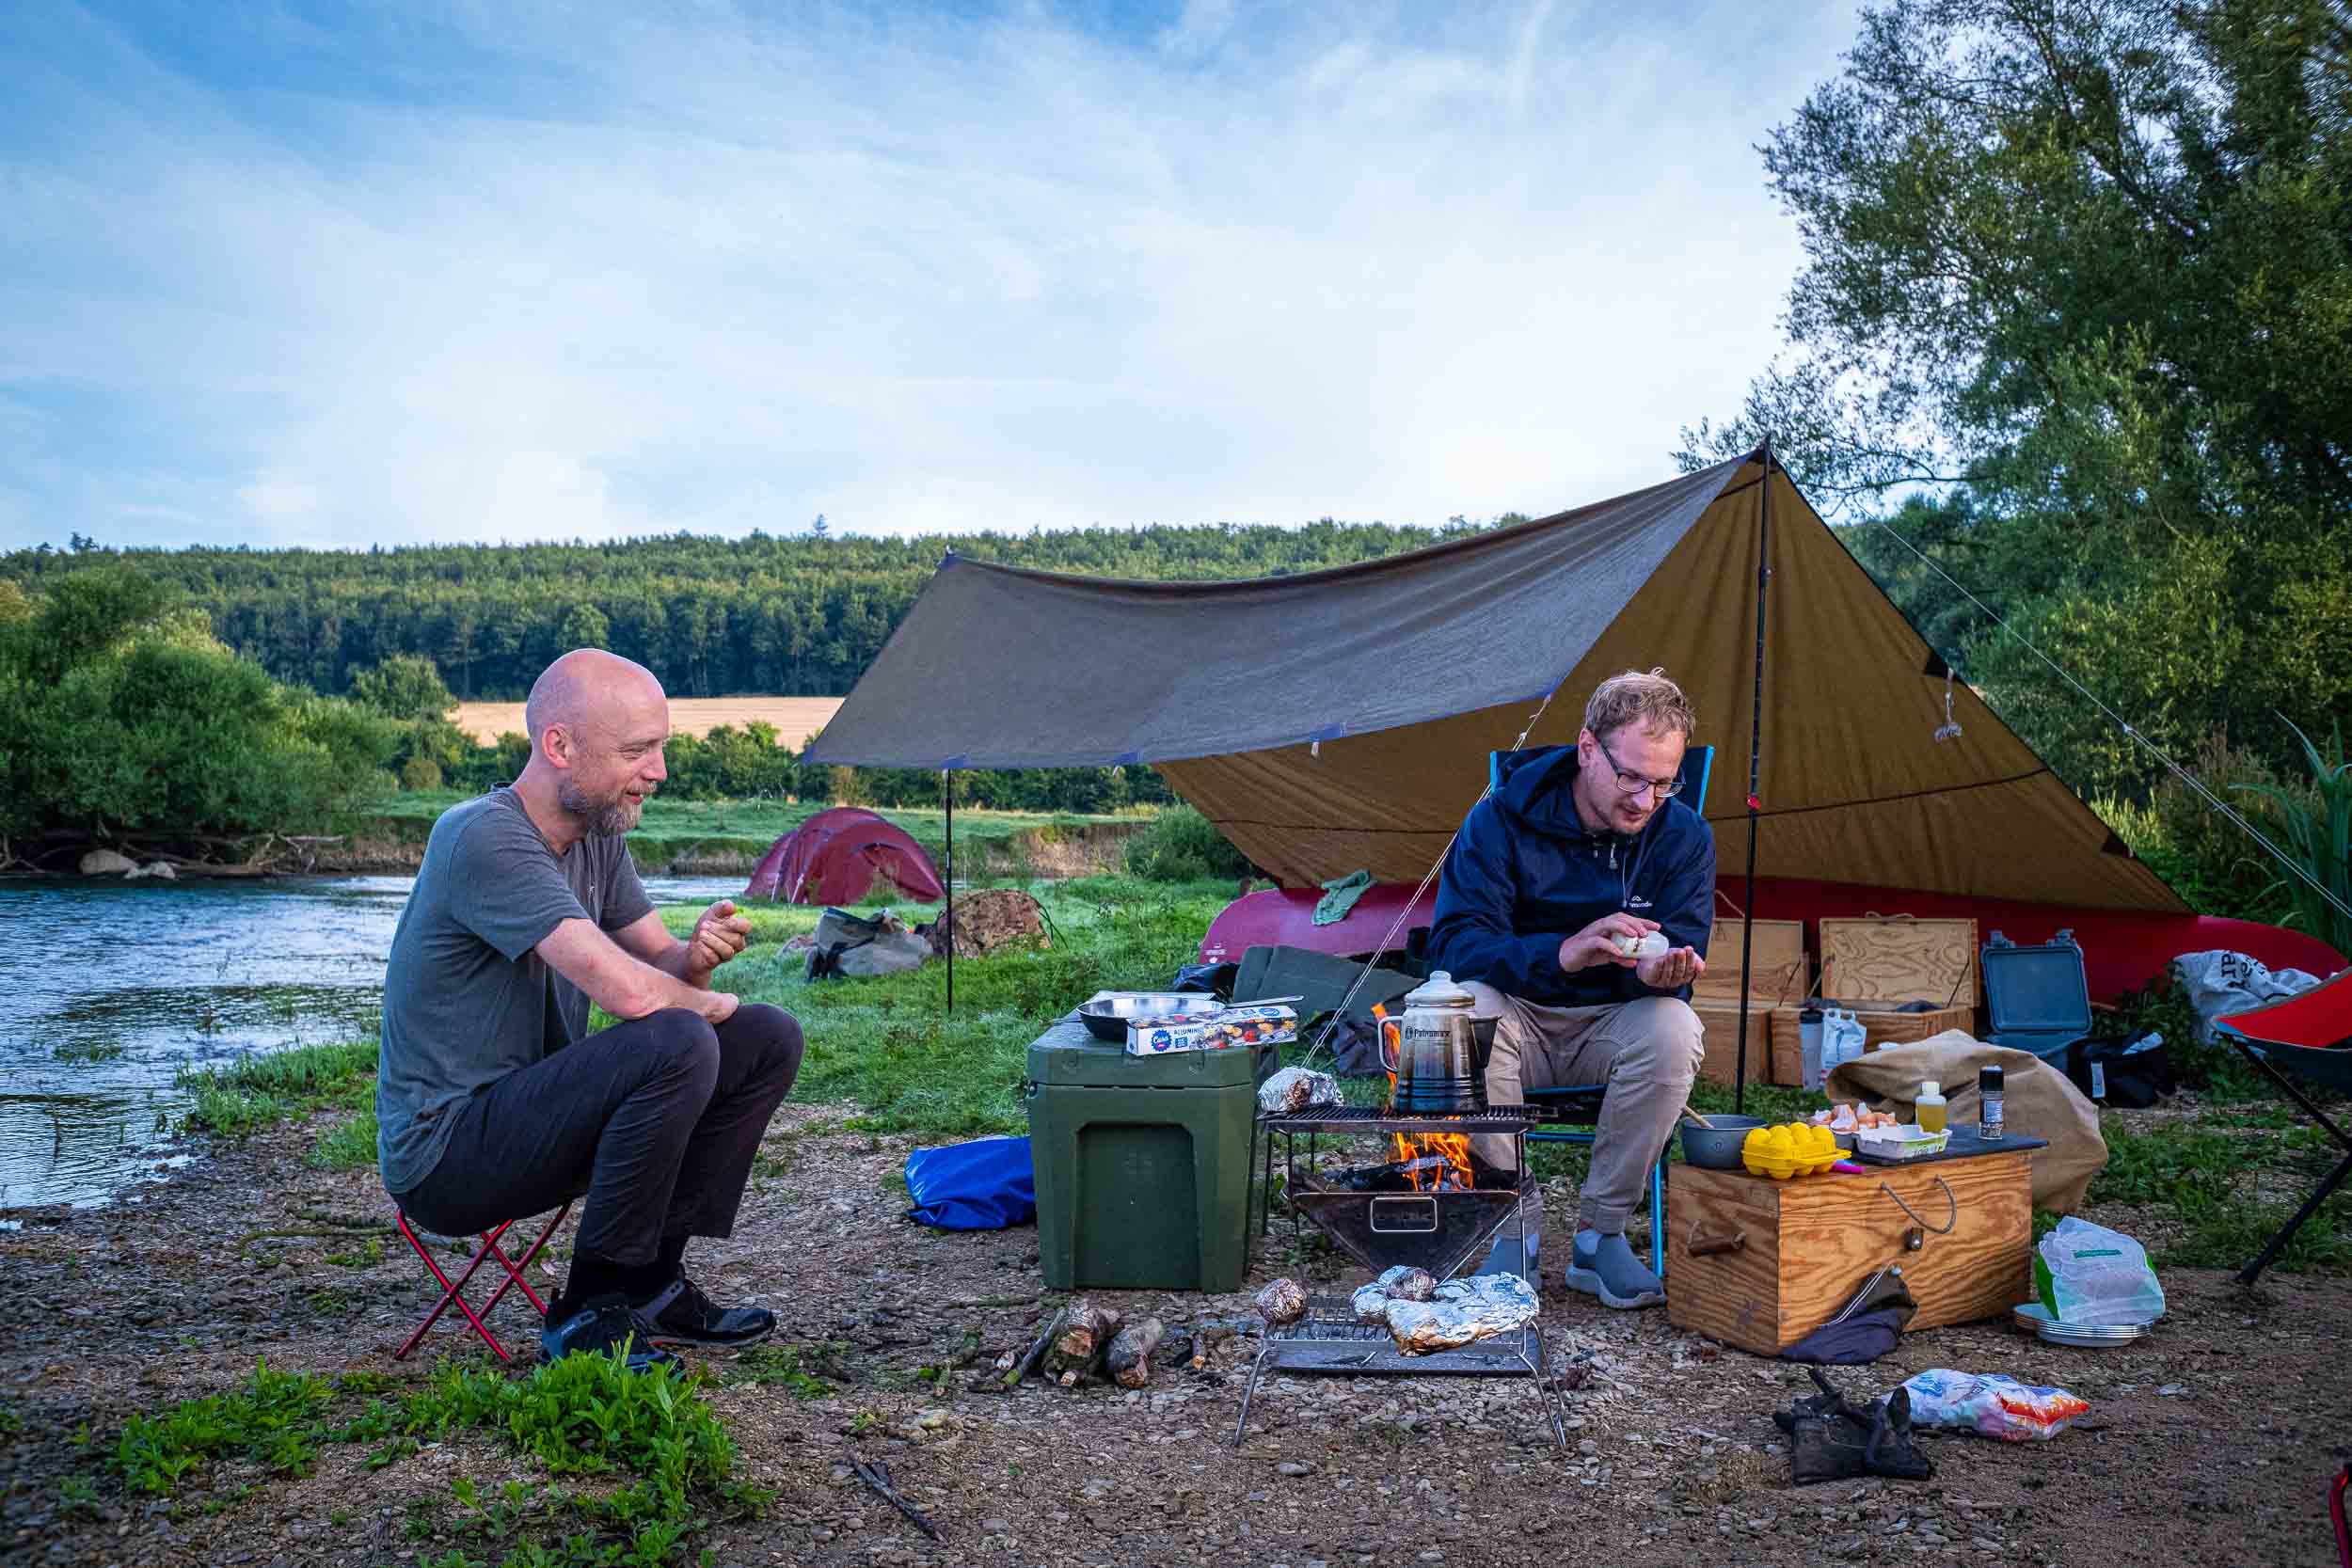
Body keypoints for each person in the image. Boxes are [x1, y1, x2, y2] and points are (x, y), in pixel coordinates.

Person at [377, 648, 805, 1370]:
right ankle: (587, 1312)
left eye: (661, 748)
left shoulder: (595, 837)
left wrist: (695, 953)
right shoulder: (482, 836)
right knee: (681, 1038)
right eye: (638, 750)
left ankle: (650, 1284)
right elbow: (632, 994)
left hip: (536, 1120)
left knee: (765, 1037)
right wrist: (703, 1000)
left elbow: (660, 964)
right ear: (559, 746)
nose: (660, 770)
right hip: (446, 1153)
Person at [1426, 668, 1713, 1308]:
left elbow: (1685, 944)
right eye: (1631, 776)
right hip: (1516, 1017)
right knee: (1459, 1010)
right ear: (1587, 748)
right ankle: (1512, 1225)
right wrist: (1564, 951)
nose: (1644, 800)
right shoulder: (1500, 818)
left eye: (1663, 783)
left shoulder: (1684, 836)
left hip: (1612, 1023)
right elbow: (1453, 947)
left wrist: (1655, 973)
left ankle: (1600, 1235)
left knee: (1674, 1027)